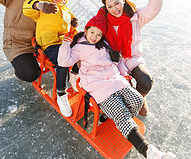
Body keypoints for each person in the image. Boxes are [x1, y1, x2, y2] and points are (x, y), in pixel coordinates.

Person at [58, 15, 175, 159]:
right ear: (86, 29)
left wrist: (124, 74)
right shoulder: (80, 47)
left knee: (137, 100)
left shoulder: (104, 44)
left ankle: (117, 118)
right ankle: (148, 151)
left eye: (99, 34)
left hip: (116, 81)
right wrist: (66, 43)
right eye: (92, 32)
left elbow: (116, 62)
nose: (95, 37)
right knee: (122, 114)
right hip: (99, 87)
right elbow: (63, 62)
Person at [96, 0, 162, 116]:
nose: (114, 9)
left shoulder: (135, 17)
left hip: (132, 57)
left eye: (117, 3)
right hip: (112, 60)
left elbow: (153, 9)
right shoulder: (103, 20)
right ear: (105, 8)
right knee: (118, 86)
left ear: (123, 1)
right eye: (110, 6)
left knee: (146, 81)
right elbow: (91, 36)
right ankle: (118, 102)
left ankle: (139, 97)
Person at [23, 0, 78, 117]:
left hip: (64, 42)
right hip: (49, 43)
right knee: (62, 59)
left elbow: (70, 22)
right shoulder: (43, 6)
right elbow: (27, 8)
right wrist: (38, 5)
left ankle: (74, 76)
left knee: (84, 51)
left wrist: (74, 22)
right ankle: (61, 94)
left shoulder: (65, 9)